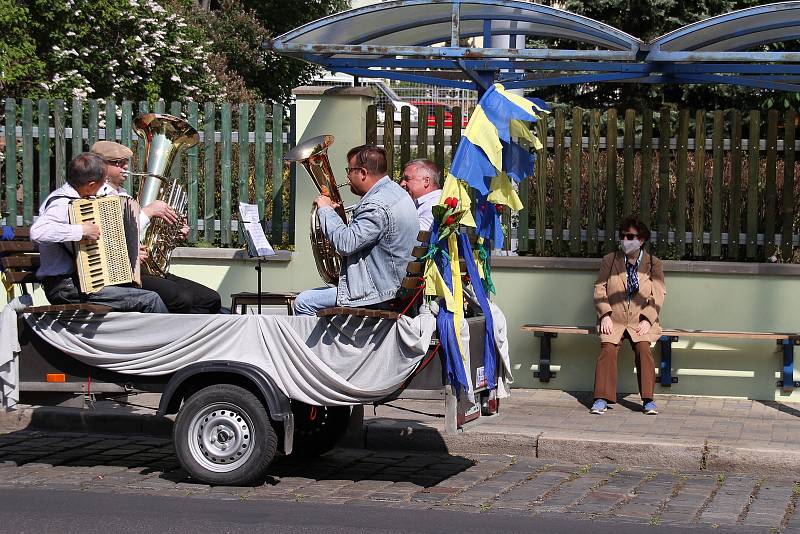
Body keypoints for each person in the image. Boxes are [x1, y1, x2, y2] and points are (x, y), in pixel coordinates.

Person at [90, 141, 222, 314]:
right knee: (183, 299)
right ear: (101, 166)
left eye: (125, 161)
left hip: (144, 268)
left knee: (210, 299)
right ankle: (168, 336)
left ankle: (187, 336)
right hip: (122, 275)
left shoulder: (123, 194)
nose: (125, 166)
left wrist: (172, 232)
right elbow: (114, 235)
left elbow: (144, 234)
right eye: (118, 163)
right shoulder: (98, 196)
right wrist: (148, 212)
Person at [30, 152, 167, 313]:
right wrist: (81, 230)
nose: (103, 189)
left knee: (160, 292)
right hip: (65, 287)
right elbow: (37, 232)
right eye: (102, 184)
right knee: (150, 300)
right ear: (91, 184)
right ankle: (165, 338)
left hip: (84, 283)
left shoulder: (84, 200)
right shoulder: (61, 203)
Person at [293, 145, 418, 316]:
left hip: (379, 293)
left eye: (350, 170)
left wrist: (326, 211)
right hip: (388, 285)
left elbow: (346, 243)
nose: (347, 176)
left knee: (303, 302)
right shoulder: (396, 193)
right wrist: (335, 219)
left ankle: (323, 345)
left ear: (363, 173)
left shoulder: (376, 205)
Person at [590, 216, 666, 416]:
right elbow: (600, 289)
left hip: (639, 321)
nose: (625, 240)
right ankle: (601, 398)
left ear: (641, 240)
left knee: (643, 349)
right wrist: (605, 314)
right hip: (614, 318)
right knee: (607, 348)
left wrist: (648, 319)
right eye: (623, 236)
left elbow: (658, 294)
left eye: (630, 236)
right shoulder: (610, 260)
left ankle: (648, 400)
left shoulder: (653, 264)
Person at [399, 158, 442, 231]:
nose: (402, 184)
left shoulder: (435, 205)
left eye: (407, 179)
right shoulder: (423, 203)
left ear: (426, 181)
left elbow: (416, 236)